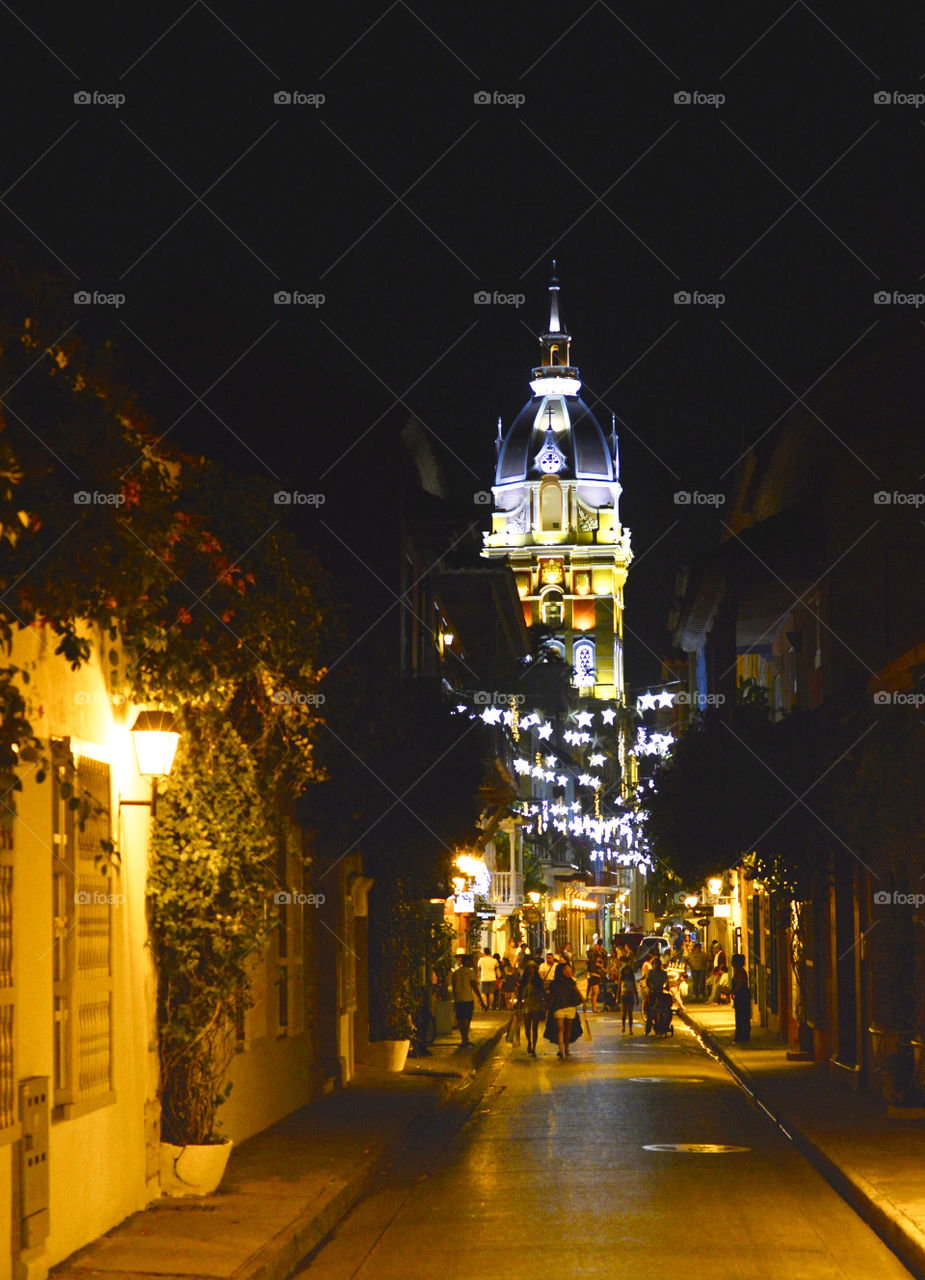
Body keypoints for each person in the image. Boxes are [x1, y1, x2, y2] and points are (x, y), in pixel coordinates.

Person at [546, 962, 586, 1059]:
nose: (567, 971)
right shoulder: (555, 983)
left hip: (569, 1007)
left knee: (567, 1030)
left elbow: (578, 992)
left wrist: (583, 1002)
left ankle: (566, 1048)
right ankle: (561, 1050)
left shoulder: (569, 981)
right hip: (559, 1007)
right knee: (561, 1028)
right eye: (565, 969)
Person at [451, 954, 485, 1047]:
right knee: (467, 1019)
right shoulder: (470, 973)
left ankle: (464, 1038)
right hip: (467, 998)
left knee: (461, 1019)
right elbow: (474, 986)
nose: (472, 962)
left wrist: (455, 999)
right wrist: (480, 999)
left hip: (459, 998)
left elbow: (454, 987)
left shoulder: (456, 973)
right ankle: (465, 1039)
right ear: (467, 962)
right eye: (471, 961)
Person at [517, 960, 546, 1056]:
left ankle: (534, 1047)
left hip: (536, 1004)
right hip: (527, 1004)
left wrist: (544, 1004)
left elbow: (543, 992)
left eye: (533, 967)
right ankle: (529, 1042)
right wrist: (519, 1004)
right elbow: (520, 993)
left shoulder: (538, 980)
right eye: (529, 967)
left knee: (535, 1027)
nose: (531, 969)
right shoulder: (524, 980)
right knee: (527, 1028)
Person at [643, 955, 669, 1035]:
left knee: (667, 1008)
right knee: (649, 1010)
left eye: (658, 964)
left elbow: (667, 981)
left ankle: (665, 1025)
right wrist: (651, 987)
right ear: (653, 964)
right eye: (655, 964)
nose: (656, 965)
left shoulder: (663, 973)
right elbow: (648, 982)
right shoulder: (650, 972)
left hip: (660, 991)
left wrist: (667, 987)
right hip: (653, 991)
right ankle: (648, 1027)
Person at [731, 953, 751, 1042]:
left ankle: (742, 1037)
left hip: (742, 996)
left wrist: (733, 991)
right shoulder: (739, 971)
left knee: (741, 1017)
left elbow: (739, 984)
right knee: (741, 1017)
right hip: (742, 996)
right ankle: (742, 1036)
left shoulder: (740, 972)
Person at [619, 956, 637, 1033]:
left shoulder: (621, 970)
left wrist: (617, 997)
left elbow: (619, 985)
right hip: (630, 994)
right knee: (630, 1013)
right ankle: (630, 1029)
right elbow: (634, 985)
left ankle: (624, 1027)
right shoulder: (631, 970)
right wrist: (636, 996)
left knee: (624, 1013)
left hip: (624, 994)